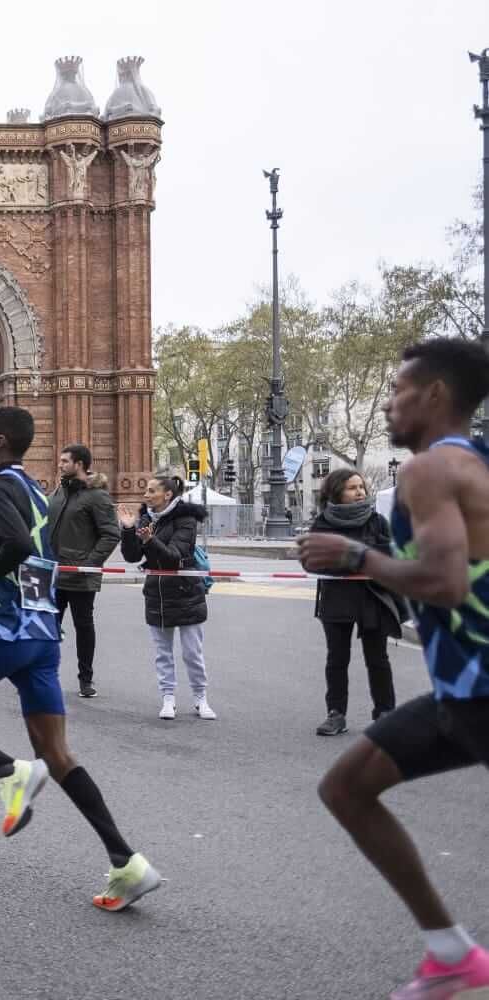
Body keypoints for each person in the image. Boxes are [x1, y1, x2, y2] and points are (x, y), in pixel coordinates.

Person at [0, 408, 161, 910]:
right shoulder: (33, 490)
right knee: (59, 755)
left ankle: (8, 770)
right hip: (43, 631)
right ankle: (126, 862)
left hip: (9, 628)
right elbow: (25, 541)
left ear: (0, 441)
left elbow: (20, 546)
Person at [301, 338, 489, 997]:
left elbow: (445, 581)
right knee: (346, 787)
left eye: (398, 390)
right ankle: (451, 953)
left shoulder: (431, 469)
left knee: (348, 790)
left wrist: (356, 559)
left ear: (435, 395)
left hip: (481, 691)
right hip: (464, 695)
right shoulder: (473, 462)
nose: (388, 404)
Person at [309, 468, 403, 737]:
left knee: (378, 659)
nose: (359, 491)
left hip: (372, 596)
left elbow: (389, 555)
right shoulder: (323, 523)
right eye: (352, 487)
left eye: (361, 487)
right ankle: (336, 714)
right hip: (336, 599)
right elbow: (315, 559)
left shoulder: (377, 521)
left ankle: (385, 712)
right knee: (337, 659)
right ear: (337, 491)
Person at [119, 473, 214, 720]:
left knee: (192, 652)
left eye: (151, 491)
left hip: (185, 592)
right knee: (163, 653)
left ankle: (200, 698)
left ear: (167, 494)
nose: (146, 495)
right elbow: (132, 557)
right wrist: (129, 530)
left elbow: (174, 557)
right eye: (146, 491)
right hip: (157, 593)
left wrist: (149, 540)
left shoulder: (186, 519)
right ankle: (168, 698)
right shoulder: (145, 518)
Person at [47, 445, 121, 698]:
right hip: (54, 573)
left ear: (79, 464)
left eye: (65, 461)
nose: (60, 464)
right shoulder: (58, 492)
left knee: (83, 627)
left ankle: (85, 680)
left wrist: (90, 563)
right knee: (47, 627)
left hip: (80, 575)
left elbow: (111, 534)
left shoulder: (96, 496)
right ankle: (44, 676)